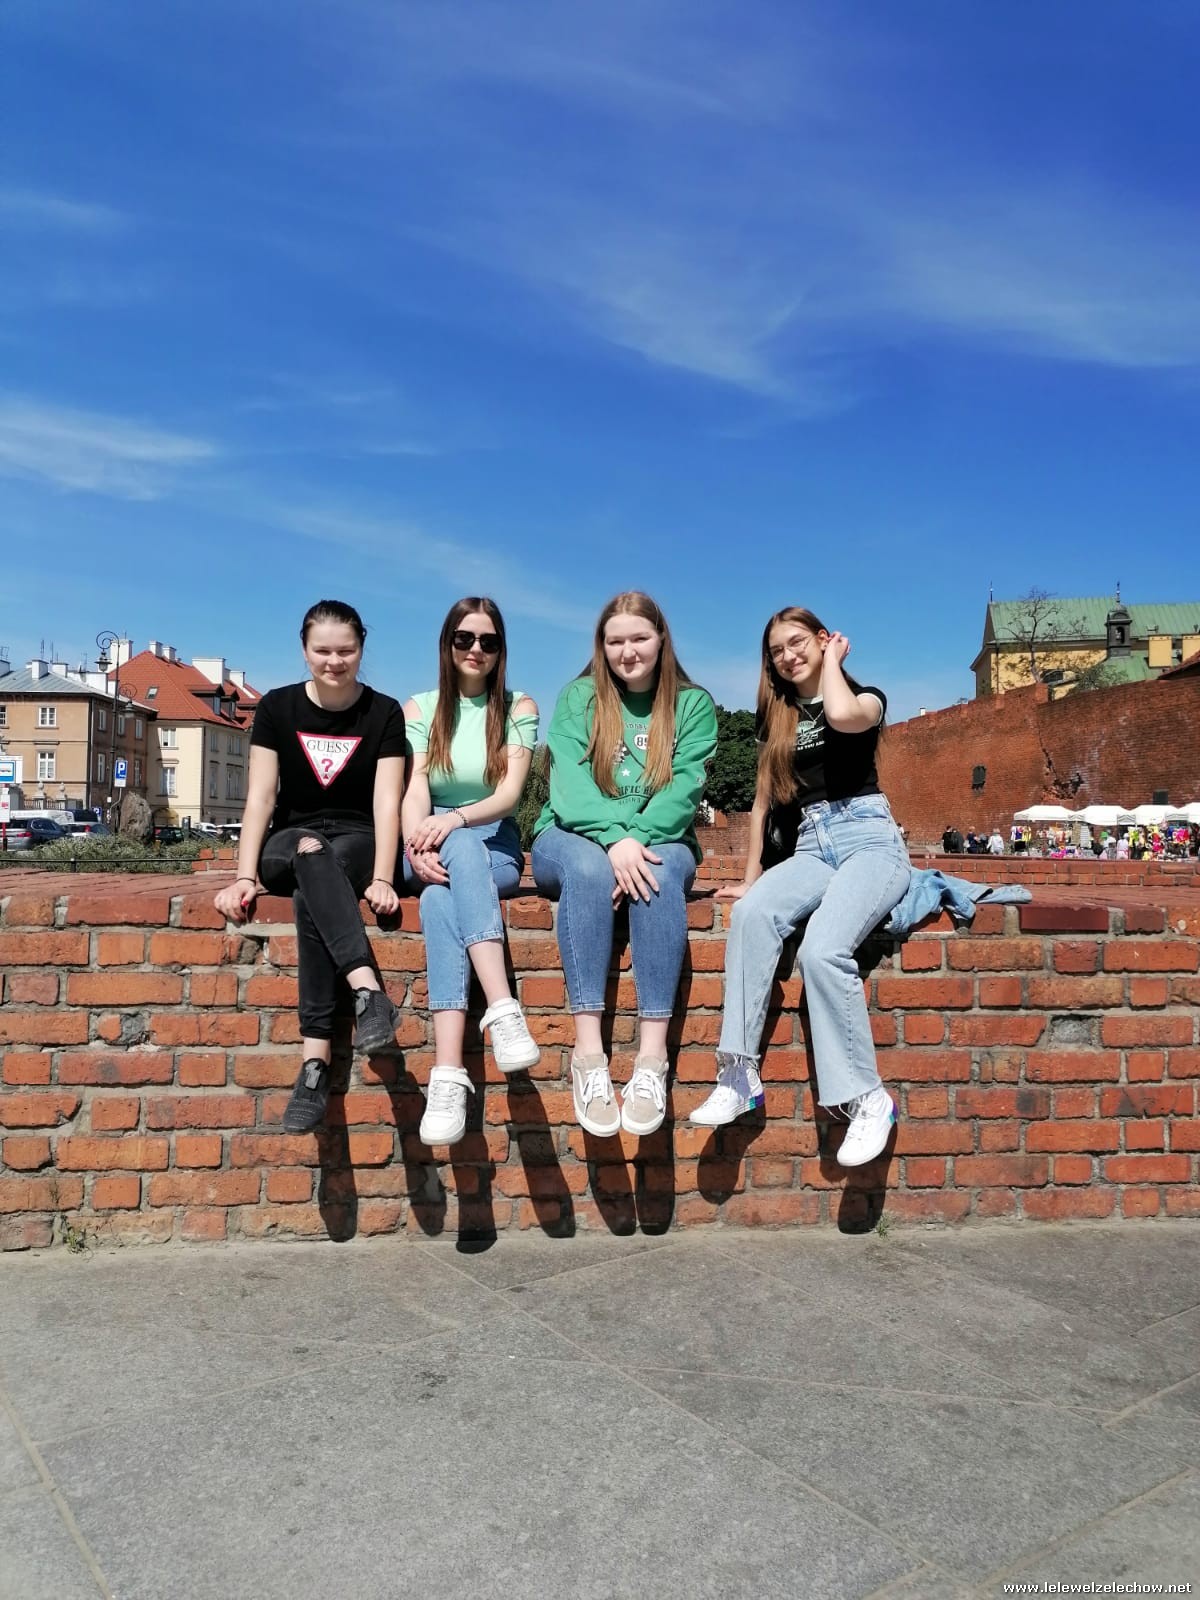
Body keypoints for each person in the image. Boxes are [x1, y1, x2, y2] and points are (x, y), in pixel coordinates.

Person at [690, 607, 910, 1168]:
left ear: (822, 639)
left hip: (869, 839)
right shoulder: (780, 719)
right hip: (812, 844)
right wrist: (751, 879)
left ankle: (868, 1098)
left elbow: (840, 715)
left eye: (797, 643)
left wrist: (832, 662)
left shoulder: (867, 698)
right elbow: (764, 801)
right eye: (776, 651)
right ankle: (738, 1074)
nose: (787, 656)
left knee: (822, 950)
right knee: (751, 916)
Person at [531, 592, 717, 1138]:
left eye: (639, 638)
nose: (627, 651)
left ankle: (651, 1061)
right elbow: (569, 787)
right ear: (601, 645)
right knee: (589, 872)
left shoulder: (691, 705)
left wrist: (634, 841)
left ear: (661, 640)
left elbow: (684, 791)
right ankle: (588, 1056)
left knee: (657, 875)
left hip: (661, 840)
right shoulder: (580, 697)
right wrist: (615, 842)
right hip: (570, 836)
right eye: (616, 641)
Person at [214, 600, 406, 1132]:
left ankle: (314, 1066)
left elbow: (386, 802)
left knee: (313, 888)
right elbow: (260, 797)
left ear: (361, 649)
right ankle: (368, 991)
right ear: (304, 650)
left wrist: (383, 877)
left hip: (357, 839)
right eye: (322, 650)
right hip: (290, 837)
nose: (334, 661)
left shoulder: (384, 712)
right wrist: (245, 876)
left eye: (345, 650)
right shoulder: (277, 708)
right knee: (307, 852)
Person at [401, 598, 540, 1146]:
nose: (476, 649)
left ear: (501, 650)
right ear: (448, 644)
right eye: (464, 638)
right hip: (430, 844)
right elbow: (415, 786)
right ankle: (501, 1013)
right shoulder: (420, 708)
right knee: (439, 892)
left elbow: (509, 795)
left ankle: (448, 1072)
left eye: (488, 641)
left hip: (493, 849)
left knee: (440, 899)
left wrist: (453, 819)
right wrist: (415, 843)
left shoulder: (517, 706)